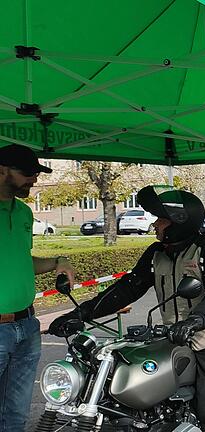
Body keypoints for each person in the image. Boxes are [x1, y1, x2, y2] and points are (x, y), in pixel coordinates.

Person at [49, 185, 205, 430]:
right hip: (173, 333)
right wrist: (80, 314)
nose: (154, 225)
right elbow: (128, 288)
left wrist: (196, 321)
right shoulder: (157, 253)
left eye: (160, 219)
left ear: (179, 221)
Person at [0, 144, 75, 432]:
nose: (35, 179)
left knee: (16, 415)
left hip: (27, 327)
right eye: (28, 173)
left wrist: (59, 261)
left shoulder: (23, 213)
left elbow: (21, 261)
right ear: (2, 170)